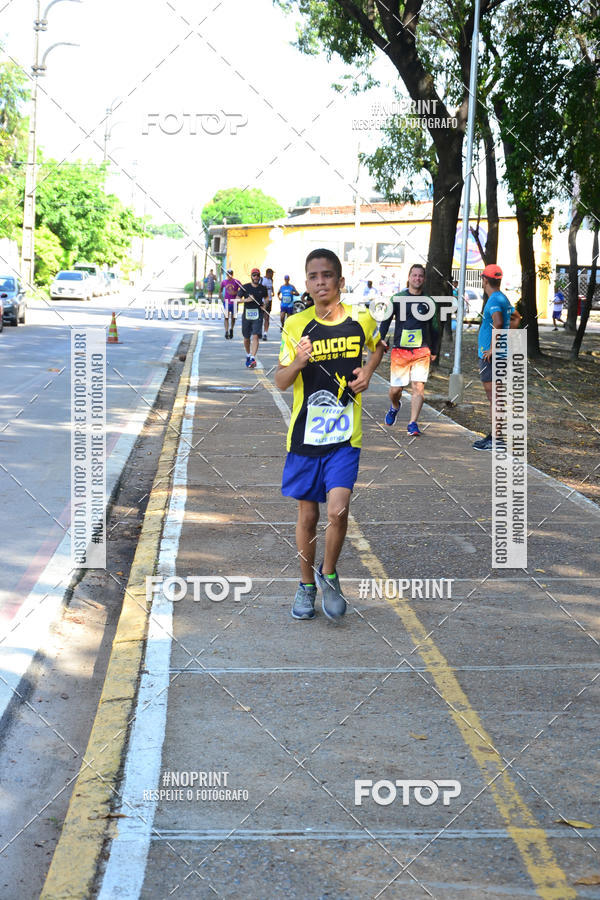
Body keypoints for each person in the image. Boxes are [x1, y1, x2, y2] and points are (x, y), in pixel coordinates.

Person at [275, 248, 384, 621]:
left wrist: (369, 371)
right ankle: (306, 586)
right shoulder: (295, 325)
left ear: (340, 281)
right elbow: (280, 381)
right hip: (305, 436)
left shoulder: (361, 319)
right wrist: (299, 362)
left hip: (344, 437)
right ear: (306, 283)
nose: (320, 282)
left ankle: (330, 573)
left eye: (327, 275)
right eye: (313, 276)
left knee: (338, 511)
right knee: (308, 516)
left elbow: (380, 345)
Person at [379, 263, 439, 436]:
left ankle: (413, 423)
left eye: (420, 276)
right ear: (409, 277)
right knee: (396, 390)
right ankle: (395, 406)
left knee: (418, 387)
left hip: (421, 350)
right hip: (400, 350)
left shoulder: (429, 301)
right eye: (414, 275)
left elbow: (435, 327)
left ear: (424, 279)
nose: (417, 278)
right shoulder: (397, 298)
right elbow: (386, 320)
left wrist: (434, 349)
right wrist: (382, 339)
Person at [472, 263, 514, 451]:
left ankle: (496, 440)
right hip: (498, 356)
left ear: (485, 279)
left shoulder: (494, 300)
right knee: (495, 398)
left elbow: (497, 322)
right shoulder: (502, 297)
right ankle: (494, 436)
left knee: (494, 398)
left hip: (492, 358)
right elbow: (516, 318)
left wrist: (493, 348)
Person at [238, 267, 268, 368]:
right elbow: (236, 300)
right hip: (247, 314)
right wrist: (246, 300)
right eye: (254, 275)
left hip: (258, 314)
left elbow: (267, 298)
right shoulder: (244, 287)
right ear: (251, 276)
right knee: (246, 337)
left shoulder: (262, 288)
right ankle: (248, 354)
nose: (256, 277)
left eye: (257, 275)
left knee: (255, 336)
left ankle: (252, 358)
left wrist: (265, 305)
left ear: (259, 277)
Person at [220, 269, 239, 339]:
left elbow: (243, 289)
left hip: (234, 302)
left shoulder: (236, 281)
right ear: (226, 274)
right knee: (226, 317)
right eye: (228, 274)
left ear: (232, 274)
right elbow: (220, 290)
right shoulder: (224, 282)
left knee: (233, 318)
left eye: (230, 274)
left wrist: (237, 294)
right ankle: (226, 331)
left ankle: (231, 329)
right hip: (227, 302)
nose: (229, 275)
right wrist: (222, 299)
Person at [261, 267, 274, 340]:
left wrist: (273, 292)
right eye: (272, 274)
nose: (272, 275)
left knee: (267, 317)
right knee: (260, 317)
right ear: (268, 273)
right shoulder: (263, 280)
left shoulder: (271, 280)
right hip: (263, 300)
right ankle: (258, 331)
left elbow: (271, 287)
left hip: (269, 300)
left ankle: (265, 333)